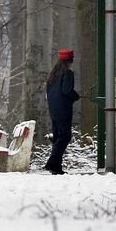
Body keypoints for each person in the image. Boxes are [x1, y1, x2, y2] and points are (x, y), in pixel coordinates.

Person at [44, 47, 80, 175]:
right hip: (63, 109)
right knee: (65, 136)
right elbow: (66, 91)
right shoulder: (67, 73)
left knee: (58, 136)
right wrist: (76, 96)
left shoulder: (53, 74)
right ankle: (52, 163)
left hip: (53, 110)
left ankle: (56, 167)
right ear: (70, 60)